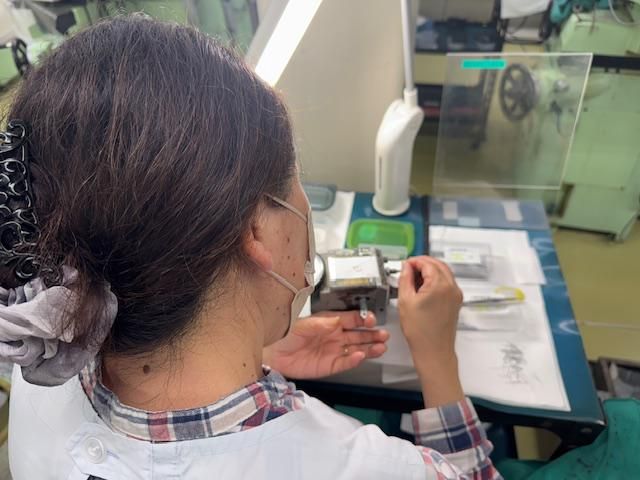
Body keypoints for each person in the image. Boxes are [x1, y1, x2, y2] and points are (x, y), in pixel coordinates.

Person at [1, 16, 500, 479]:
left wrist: (261, 352)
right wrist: (437, 358)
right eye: (296, 180)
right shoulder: (364, 468)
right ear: (257, 229)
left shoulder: (40, 360)